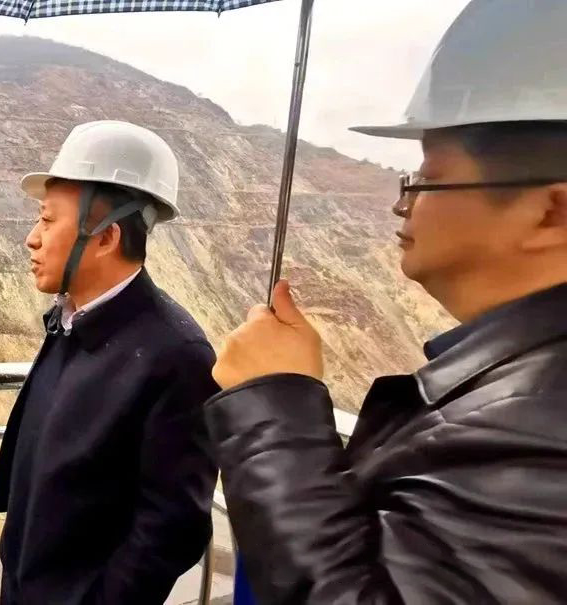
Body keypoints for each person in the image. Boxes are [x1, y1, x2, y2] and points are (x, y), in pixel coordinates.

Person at [206, 1, 567, 602]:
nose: (403, 204)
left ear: (551, 211)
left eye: (429, 177)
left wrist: (275, 408)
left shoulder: (539, 438)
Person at [0, 120, 219, 604]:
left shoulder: (176, 355)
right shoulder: (73, 321)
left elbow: (172, 527)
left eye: (48, 221)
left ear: (107, 237)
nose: (32, 238)